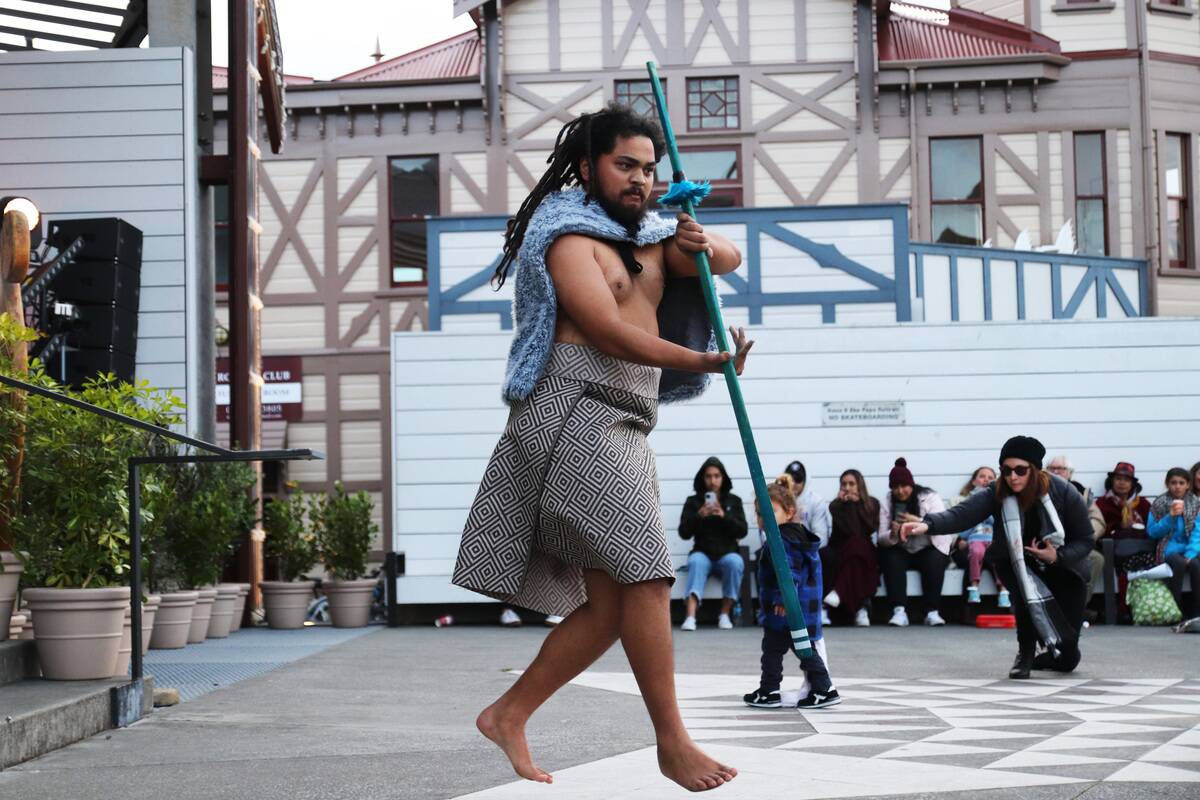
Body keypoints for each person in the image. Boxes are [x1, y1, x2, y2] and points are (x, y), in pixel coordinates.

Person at [452, 104, 751, 791]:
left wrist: (697, 235)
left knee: (614, 606)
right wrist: (702, 361)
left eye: (649, 169)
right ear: (588, 168)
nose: (640, 179)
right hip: (573, 411)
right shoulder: (565, 239)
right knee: (647, 573)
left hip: (628, 420)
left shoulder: (651, 242)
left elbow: (727, 260)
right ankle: (672, 742)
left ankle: (508, 713)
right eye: (625, 165)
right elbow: (606, 329)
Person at [903, 436, 1092, 679]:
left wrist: (1057, 555)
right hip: (1018, 562)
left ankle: (1058, 655)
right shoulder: (997, 491)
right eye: (1006, 470)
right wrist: (927, 525)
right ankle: (1025, 653)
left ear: (1035, 470)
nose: (1012, 477)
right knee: (1024, 592)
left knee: (1067, 659)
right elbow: (962, 514)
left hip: (1065, 568)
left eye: (1020, 470)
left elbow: (1085, 539)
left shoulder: (1064, 492)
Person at [743, 475, 840, 710]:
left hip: (787, 610)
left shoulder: (782, 540)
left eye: (770, 512)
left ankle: (818, 688)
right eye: (759, 513)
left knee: (785, 651)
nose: (762, 518)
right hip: (802, 609)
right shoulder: (794, 535)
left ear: (789, 512)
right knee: (790, 649)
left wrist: (782, 599)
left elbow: (788, 573)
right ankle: (774, 689)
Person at [876, 458, 950, 626]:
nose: (900, 491)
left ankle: (932, 611)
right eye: (895, 487)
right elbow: (881, 538)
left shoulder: (929, 497)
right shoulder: (887, 502)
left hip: (927, 546)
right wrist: (893, 533)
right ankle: (899, 611)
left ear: (912, 484)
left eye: (904, 486)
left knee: (935, 559)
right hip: (901, 548)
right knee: (890, 557)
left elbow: (941, 525)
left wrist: (917, 521)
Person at [678, 457, 748, 631]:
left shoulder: (734, 501)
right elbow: (683, 533)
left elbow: (742, 531)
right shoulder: (693, 502)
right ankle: (690, 617)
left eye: (717, 476)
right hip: (702, 553)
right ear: (702, 478)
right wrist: (699, 515)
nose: (713, 481)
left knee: (735, 562)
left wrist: (724, 516)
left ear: (723, 478)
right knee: (696, 561)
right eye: (708, 476)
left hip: (727, 553)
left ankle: (725, 614)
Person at [1046, 454, 1105, 613]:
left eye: (1061, 468)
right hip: (1046, 543)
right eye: (1052, 468)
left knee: (1096, 559)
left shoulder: (1082, 493)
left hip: (1074, 544)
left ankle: (1077, 608)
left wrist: (1083, 537)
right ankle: (1050, 608)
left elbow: (1097, 520)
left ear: (1070, 473)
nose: (1056, 472)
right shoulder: (1039, 490)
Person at [822, 469, 881, 627]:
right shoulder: (836, 506)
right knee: (852, 549)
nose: (847, 487)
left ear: (859, 485)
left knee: (858, 547)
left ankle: (838, 592)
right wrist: (848, 505)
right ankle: (861, 609)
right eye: (844, 484)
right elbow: (849, 531)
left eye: (851, 484)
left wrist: (857, 505)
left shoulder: (872, 504)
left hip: (864, 548)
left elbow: (867, 529)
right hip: (840, 547)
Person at [949, 466, 1010, 608]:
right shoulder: (959, 500)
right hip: (968, 542)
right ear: (973, 481)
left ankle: (1003, 594)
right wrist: (958, 541)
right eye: (982, 476)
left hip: (991, 541)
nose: (986, 480)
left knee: (998, 556)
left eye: (990, 478)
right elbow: (950, 524)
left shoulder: (1000, 501)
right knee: (974, 554)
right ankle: (969, 604)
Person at [1146, 467, 1200, 621]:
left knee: (1196, 564)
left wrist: (1191, 553)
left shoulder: (1195, 503)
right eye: (1173, 483)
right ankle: (1176, 608)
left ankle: (1197, 610)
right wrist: (1170, 517)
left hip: (1190, 546)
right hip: (1168, 547)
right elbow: (1152, 532)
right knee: (1178, 563)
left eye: (1181, 483)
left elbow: (1198, 531)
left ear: (1188, 485)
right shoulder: (1160, 503)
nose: (1177, 486)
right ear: (1167, 484)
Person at [783, 460, 831, 546]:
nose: (793, 483)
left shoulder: (816, 501)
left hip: (809, 549)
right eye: (790, 480)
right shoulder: (778, 500)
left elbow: (821, 538)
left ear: (805, 481)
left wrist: (801, 547)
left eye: (798, 479)